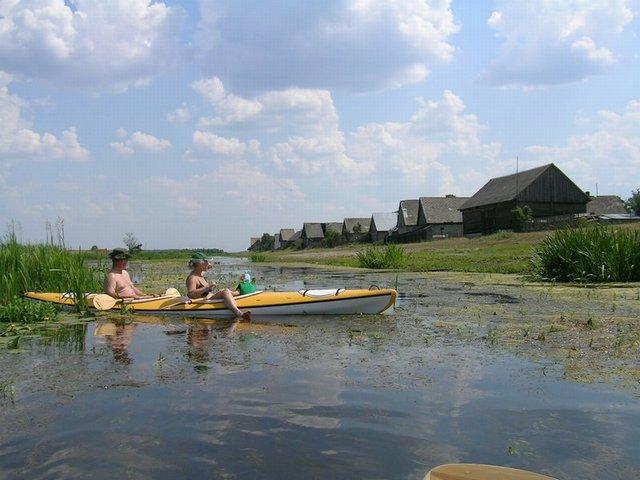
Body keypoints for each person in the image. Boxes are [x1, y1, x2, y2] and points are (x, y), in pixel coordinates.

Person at [186, 252, 251, 321]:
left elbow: (208, 268)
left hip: (210, 297)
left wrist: (209, 266)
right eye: (207, 262)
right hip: (203, 301)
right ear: (200, 263)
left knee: (228, 290)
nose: (209, 264)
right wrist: (207, 287)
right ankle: (238, 313)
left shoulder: (200, 273)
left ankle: (239, 294)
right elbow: (191, 294)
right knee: (225, 291)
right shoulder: (192, 278)